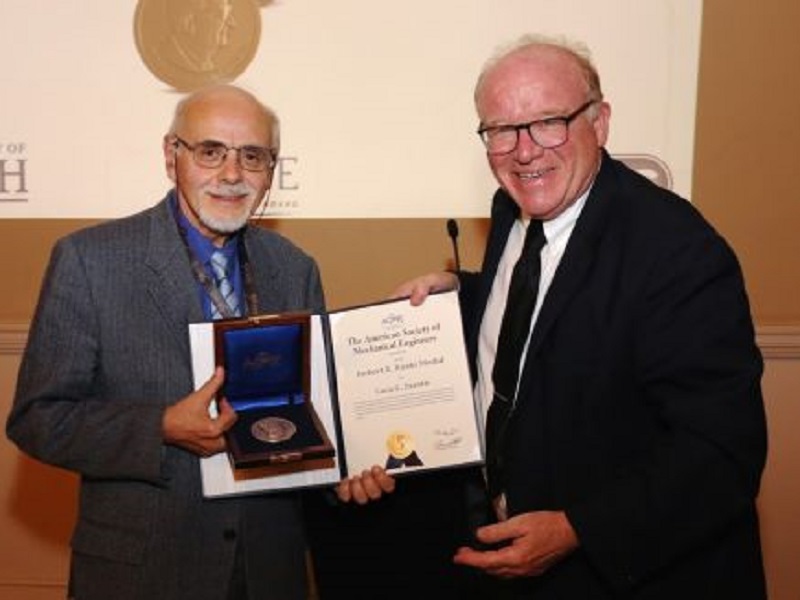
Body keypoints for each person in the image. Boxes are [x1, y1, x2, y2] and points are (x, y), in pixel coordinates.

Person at [346, 34, 769, 598]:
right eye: (501, 129)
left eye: (549, 122)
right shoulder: (514, 207)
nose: (524, 151)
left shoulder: (678, 251)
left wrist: (579, 530)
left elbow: (722, 453)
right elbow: (547, 305)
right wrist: (466, 290)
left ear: (600, 122)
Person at [6, 84, 325, 600]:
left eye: (252, 156)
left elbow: (313, 414)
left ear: (271, 169)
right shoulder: (89, 261)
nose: (232, 174)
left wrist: (356, 465)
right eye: (210, 151)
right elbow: (38, 419)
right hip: (142, 571)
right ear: (171, 155)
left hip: (267, 569)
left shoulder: (295, 268)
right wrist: (159, 426)